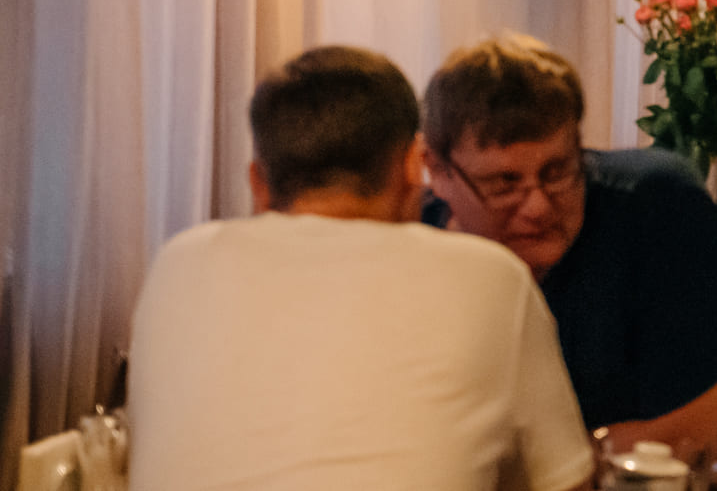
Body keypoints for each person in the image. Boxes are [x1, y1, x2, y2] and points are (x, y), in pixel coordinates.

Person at [130, 46, 595, 491]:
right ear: (414, 166)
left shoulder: (176, 264)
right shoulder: (490, 277)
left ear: (259, 184)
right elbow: (568, 483)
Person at [423, 33, 717, 457]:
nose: (538, 206)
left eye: (558, 170)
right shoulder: (411, 243)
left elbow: (690, 437)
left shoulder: (658, 208)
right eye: (504, 183)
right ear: (438, 171)